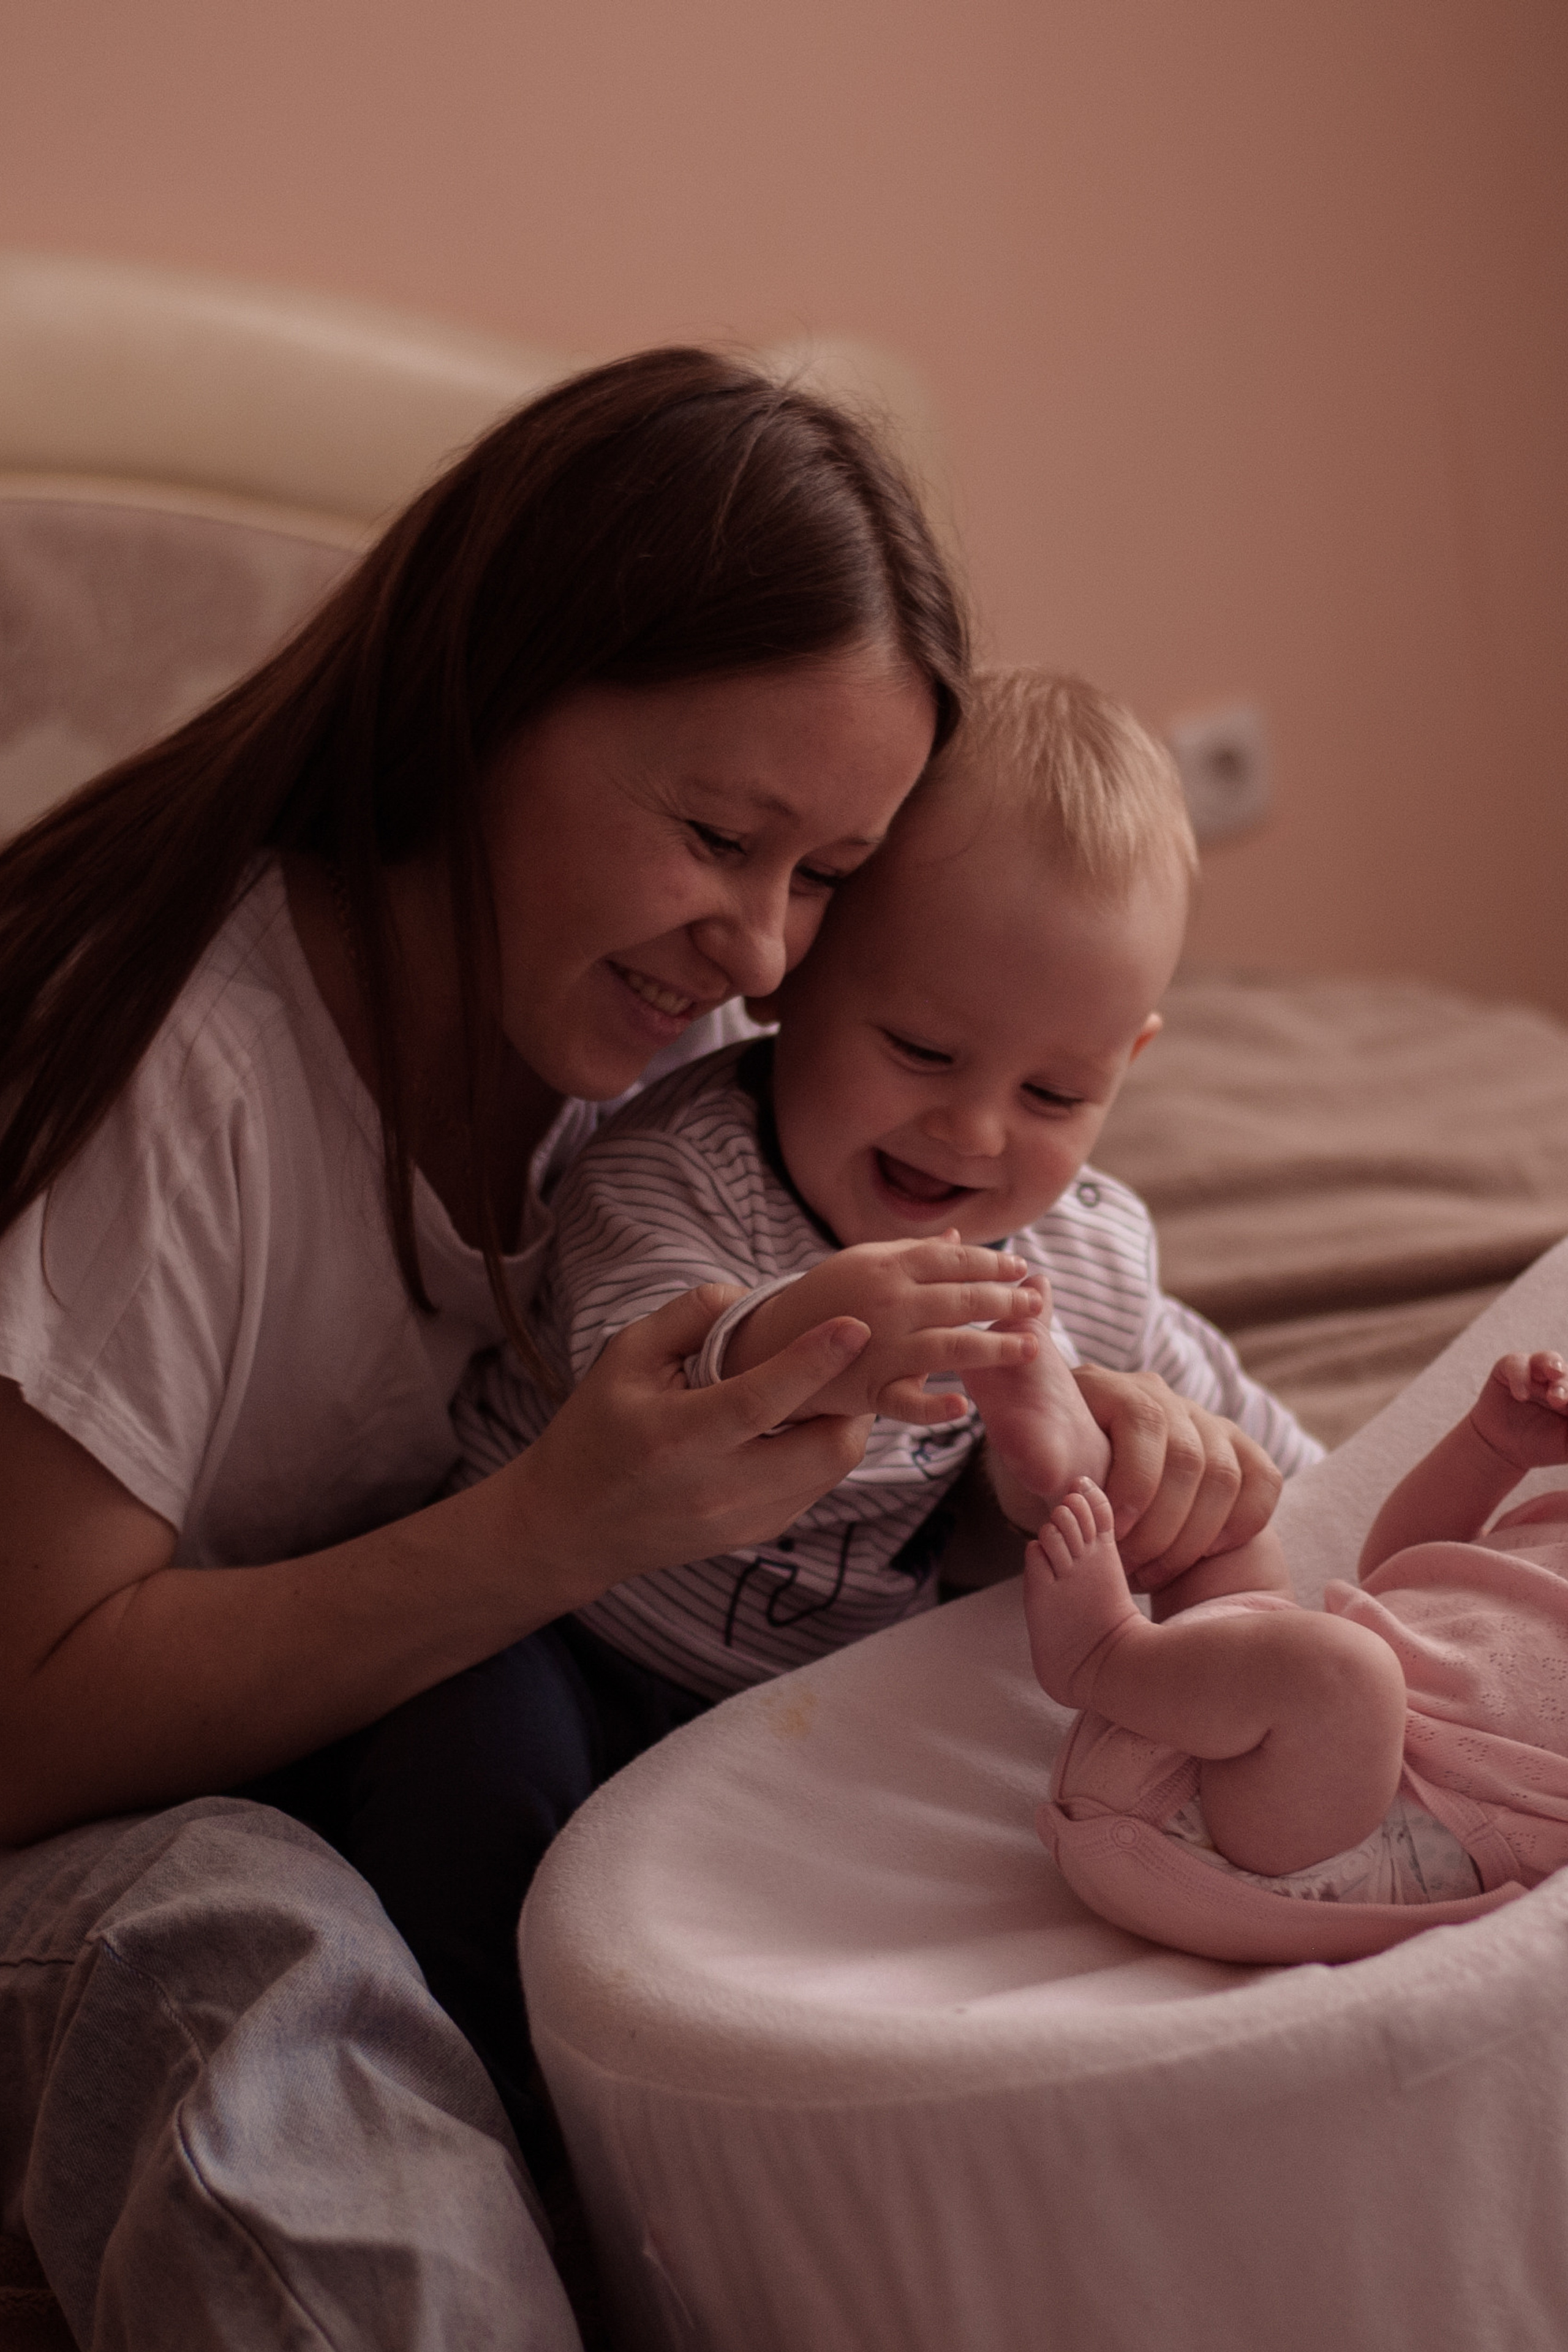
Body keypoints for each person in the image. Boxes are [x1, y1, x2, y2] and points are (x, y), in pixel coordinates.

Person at [0, 360, 1273, 2349]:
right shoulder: (190, 1072)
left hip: (422, 1714)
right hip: (101, 1806)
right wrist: (556, 1528)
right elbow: (27, 1727)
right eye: (717, 834)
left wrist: (1097, 1439)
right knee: (244, 1948)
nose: (762, 955)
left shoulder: (700, 1033)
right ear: (484, 705)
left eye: (826, 877)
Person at [462, 669, 1318, 1732]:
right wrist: (808, 1335)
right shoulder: (673, 1170)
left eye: (1055, 1095)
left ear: (1125, 1063)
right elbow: (636, 1395)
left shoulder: (1083, 1253)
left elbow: (1254, 1445)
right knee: (475, 1770)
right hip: (557, 1636)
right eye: (922, 1050)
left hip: (809, 1701)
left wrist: (1238, 1476)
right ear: (792, 978)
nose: (976, 1132)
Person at [1029, 1349, 1568, 1964]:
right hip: (1238, 1712)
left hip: (1325, 1837)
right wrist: (1493, 1449)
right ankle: (1087, 1475)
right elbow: (1402, 1567)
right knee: (1232, 1518)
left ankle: (1102, 1657)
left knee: (1343, 1671)